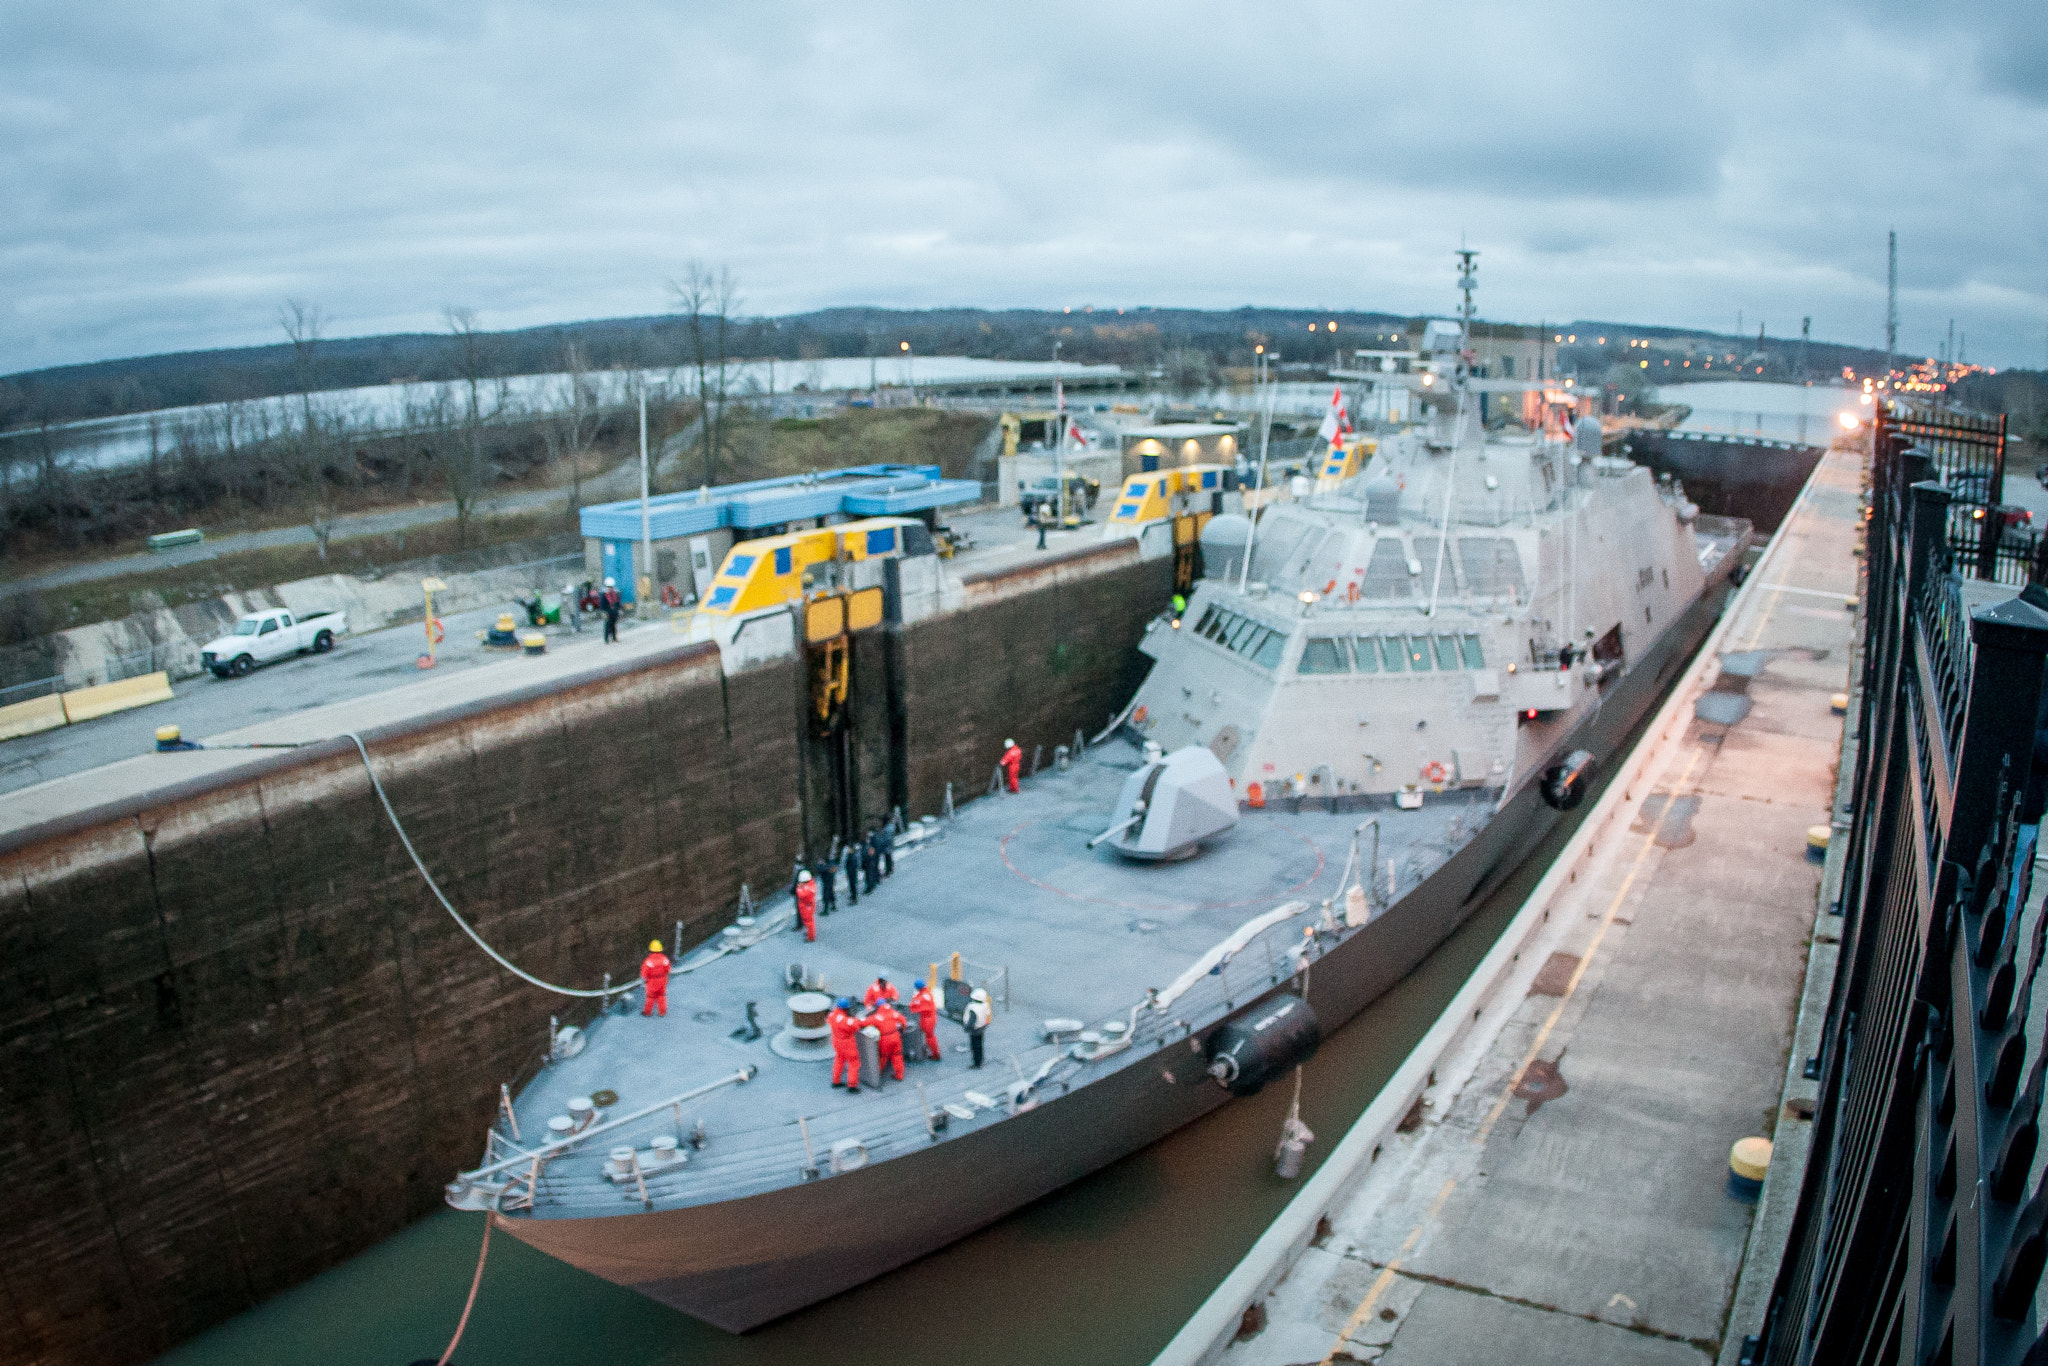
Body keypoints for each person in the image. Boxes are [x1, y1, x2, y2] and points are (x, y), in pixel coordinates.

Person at [867, 999, 907, 1082]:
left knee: (883, 1056)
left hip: (885, 1039)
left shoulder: (877, 1017)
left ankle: (879, 1073)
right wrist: (902, 1029)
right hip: (896, 1036)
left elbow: (865, 1022)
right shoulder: (893, 1013)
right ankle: (899, 1075)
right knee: (897, 1055)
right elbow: (903, 1020)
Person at [828, 997, 862, 1091]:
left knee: (839, 1059)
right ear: (846, 1008)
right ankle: (852, 1085)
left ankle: (836, 1081)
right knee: (853, 1063)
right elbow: (856, 1027)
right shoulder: (847, 1021)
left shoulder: (831, 1015)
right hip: (847, 1043)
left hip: (836, 1041)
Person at [909, 979, 942, 1062]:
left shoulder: (920, 998)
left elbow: (913, 1007)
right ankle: (933, 1051)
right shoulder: (927, 993)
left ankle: (935, 1054)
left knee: (929, 1037)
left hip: (926, 1019)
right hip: (932, 1016)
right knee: (930, 1036)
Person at [639, 939, 671, 1018]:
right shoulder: (664, 959)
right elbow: (668, 969)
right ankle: (662, 1012)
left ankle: (647, 1012)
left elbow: (644, 973)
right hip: (663, 980)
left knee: (650, 997)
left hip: (652, 982)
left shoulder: (648, 961)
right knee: (662, 996)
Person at [963, 987, 992, 1069]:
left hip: (974, 1029)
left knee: (974, 1046)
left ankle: (976, 1063)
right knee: (980, 1044)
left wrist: (966, 1028)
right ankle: (980, 1060)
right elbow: (987, 1015)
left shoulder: (973, 1007)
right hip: (981, 1027)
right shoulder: (985, 1005)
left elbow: (972, 1020)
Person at [794, 869, 817, 942]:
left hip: (807, 906)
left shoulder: (808, 889)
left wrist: (799, 888)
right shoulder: (810, 885)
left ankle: (810, 937)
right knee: (807, 921)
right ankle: (809, 933)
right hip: (806, 906)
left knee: (809, 922)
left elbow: (801, 894)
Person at [601, 577, 623, 644]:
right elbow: (602, 605)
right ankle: (606, 639)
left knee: (614, 625)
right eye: (609, 587)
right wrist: (604, 612)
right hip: (608, 613)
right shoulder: (604, 595)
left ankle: (614, 638)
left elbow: (618, 603)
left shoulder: (615, 594)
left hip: (614, 612)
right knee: (607, 625)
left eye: (611, 587)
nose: (610, 588)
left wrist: (619, 610)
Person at [860, 831, 881, 895]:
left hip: (869, 860)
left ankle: (870, 887)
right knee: (872, 871)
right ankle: (875, 881)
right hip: (869, 859)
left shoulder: (868, 842)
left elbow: (870, 851)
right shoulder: (867, 842)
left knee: (869, 874)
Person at [842, 840, 861, 907]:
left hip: (852, 873)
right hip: (850, 872)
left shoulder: (853, 856)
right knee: (851, 885)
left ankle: (854, 898)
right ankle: (853, 896)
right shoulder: (850, 855)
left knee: (853, 885)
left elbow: (854, 865)